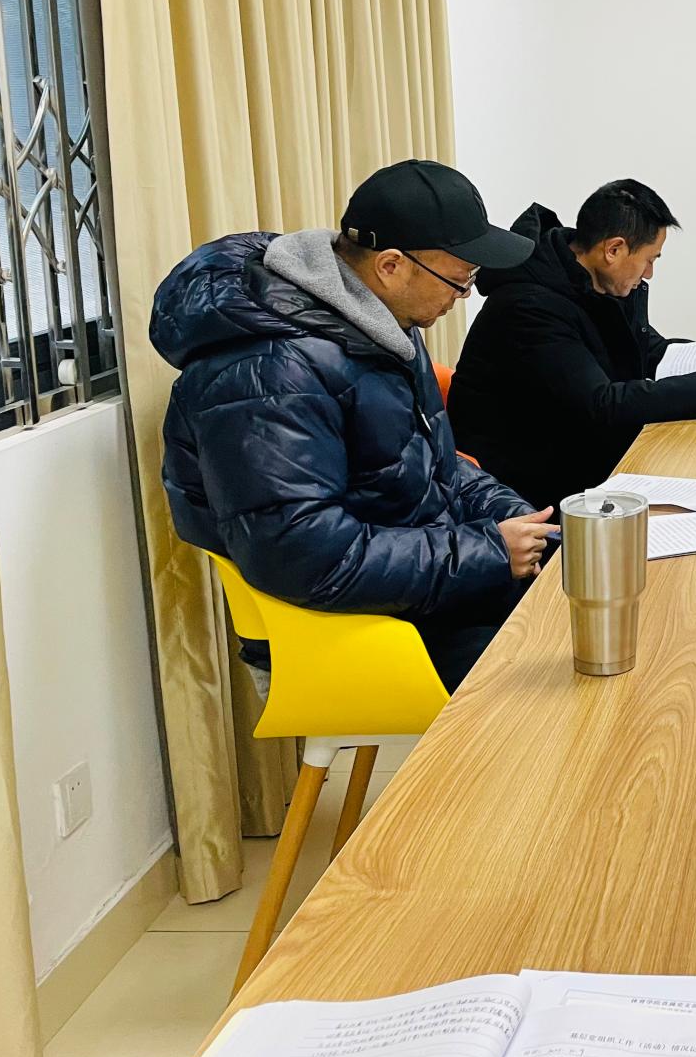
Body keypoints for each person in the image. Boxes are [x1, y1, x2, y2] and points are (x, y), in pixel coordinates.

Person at [152, 161, 557, 693]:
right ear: (391, 266)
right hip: (343, 628)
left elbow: (431, 465)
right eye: (460, 282)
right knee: (553, 683)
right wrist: (486, 551)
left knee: (587, 612)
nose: (461, 298)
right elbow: (302, 555)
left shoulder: (377, 324)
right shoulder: (270, 373)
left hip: (413, 589)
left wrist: (515, 517)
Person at [449, 181, 696, 511]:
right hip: (533, 492)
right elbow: (601, 405)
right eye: (650, 259)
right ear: (613, 249)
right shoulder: (529, 307)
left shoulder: (592, 281)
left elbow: (650, 352)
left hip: (585, 458)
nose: (649, 273)